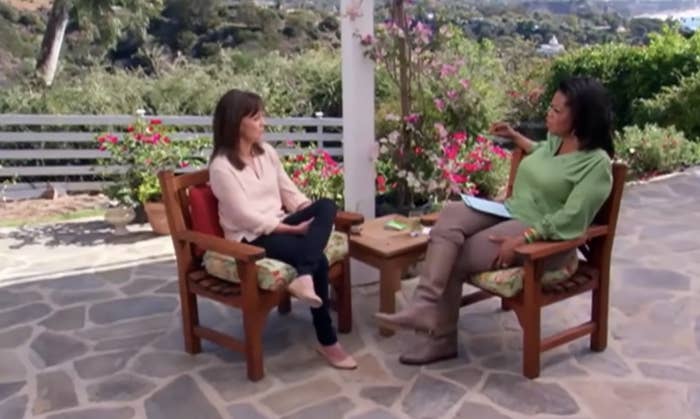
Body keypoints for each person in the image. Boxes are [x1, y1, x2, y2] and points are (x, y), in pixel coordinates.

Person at [375, 76, 615, 365]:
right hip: (511, 210)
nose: (547, 114)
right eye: (549, 107)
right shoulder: (554, 142)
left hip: (542, 235)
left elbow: (573, 218)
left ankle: (441, 339)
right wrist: (516, 138)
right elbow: (540, 154)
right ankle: (424, 305)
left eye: (556, 110)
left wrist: (523, 238)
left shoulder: (597, 164)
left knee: (454, 252)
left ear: (580, 117)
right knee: (450, 216)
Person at [208, 89, 357, 370]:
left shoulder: (267, 153)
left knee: (326, 205)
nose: (263, 122)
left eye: (262, 116)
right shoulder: (221, 168)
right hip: (251, 237)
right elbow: (245, 216)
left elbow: (290, 192)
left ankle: (302, 275)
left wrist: (306, 212)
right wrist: (293, 229)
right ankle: (329, 342)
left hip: (281, 223)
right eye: (256, 117)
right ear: (236, 122)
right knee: (320, 260)